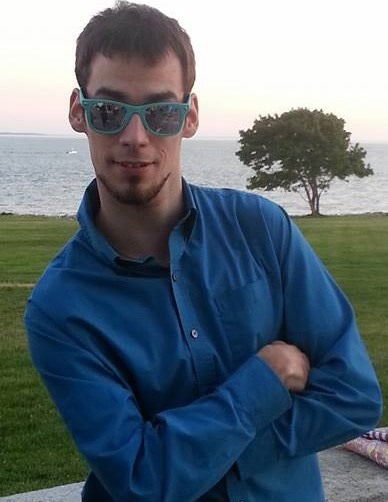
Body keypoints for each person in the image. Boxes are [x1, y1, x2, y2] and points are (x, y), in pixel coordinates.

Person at [24, 2, 382, 501]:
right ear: (77, 112)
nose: (135, 137)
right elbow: (139, 480)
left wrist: (201, 457)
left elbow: (354, 396)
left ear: (188, 117)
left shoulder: (262, 229)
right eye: (109, 111)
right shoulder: (60, 307)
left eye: (161, 111)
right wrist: (263, 383)